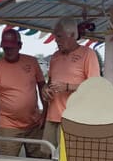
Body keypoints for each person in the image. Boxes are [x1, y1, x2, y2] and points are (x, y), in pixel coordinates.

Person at [0, 28, 48, 158]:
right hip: (9, 125)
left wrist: (45, 114)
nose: (8, 51)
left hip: (35, 123)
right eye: (5, 48)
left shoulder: (32, 62)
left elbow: (43, 88)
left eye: (11, 47)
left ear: (20, 46)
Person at [42, 17, 101, 149]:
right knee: (48, 159)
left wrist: (68, 87)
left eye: (59, 36)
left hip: (74, 119)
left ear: (73, 35)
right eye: (55, 36)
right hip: (52, 118)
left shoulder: (88, 54)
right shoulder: (55, 56)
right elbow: (49, 82)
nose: (56, 40)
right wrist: (45, 89)